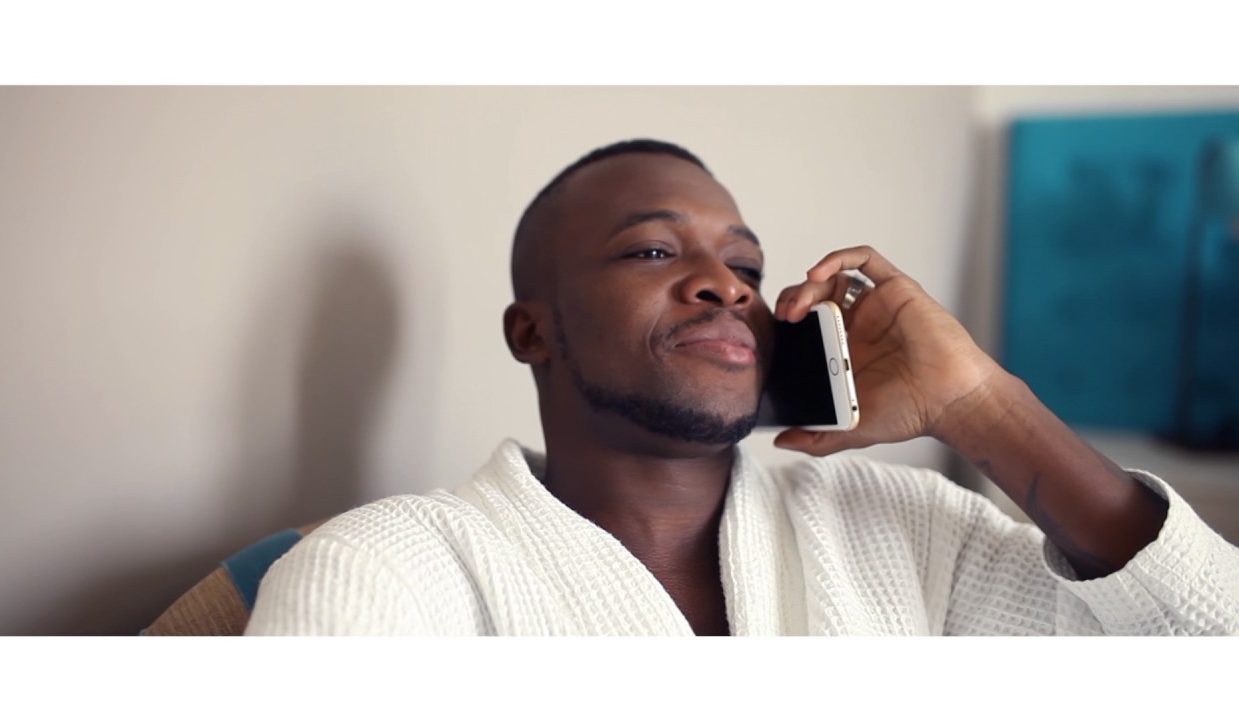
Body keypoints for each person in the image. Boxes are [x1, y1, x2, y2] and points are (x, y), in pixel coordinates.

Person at [246, 139, 1239, 635]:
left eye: (747, 268)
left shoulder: (912, 531)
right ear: (531, 330)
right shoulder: (388, 576)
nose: (725, 285)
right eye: (650, 249)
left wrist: (981, 405)